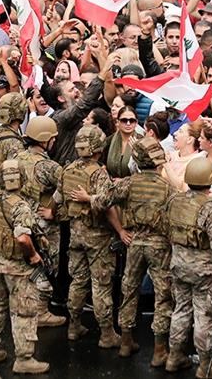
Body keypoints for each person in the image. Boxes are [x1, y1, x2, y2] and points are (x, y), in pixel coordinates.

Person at [70, 137, 173, 364]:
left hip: (134, 241)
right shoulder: (167, 187)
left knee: (129, 289)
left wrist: (89, 198)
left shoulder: (129, 183)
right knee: (163, 295)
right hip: (159, 244)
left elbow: (105, 200)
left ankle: (126, 340)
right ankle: (159, 349)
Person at [163, 157, 212, 377]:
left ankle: (174, 356)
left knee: (180, 310)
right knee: (204, 316)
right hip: (204, 271)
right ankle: (206, 366)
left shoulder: (175, 201)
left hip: (178, 265)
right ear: (210, 180)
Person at [0, 159, 49, 374]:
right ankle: (24, 358)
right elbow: (22, 238)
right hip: (18, 268)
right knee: (24, 312)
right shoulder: (20, 206)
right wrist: (34, 256)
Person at [58, 125, 121, 348]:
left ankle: (73, 326)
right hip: (98, 237)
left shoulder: (68, 169)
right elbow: (106, 202)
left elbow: (59, 198)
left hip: (75, 234)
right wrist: (90, 198)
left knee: (78, 280)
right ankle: (106, 334)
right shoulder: (98, 173)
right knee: (101, 284)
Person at [14, 116, 66, 328]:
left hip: (19, 215)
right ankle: (41, 311)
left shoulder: (17, 157)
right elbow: (65, 186)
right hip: (42, 223)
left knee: (24, 262)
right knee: (46, 263)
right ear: (46, 141)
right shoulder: (48, 166)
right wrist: (54, 211)